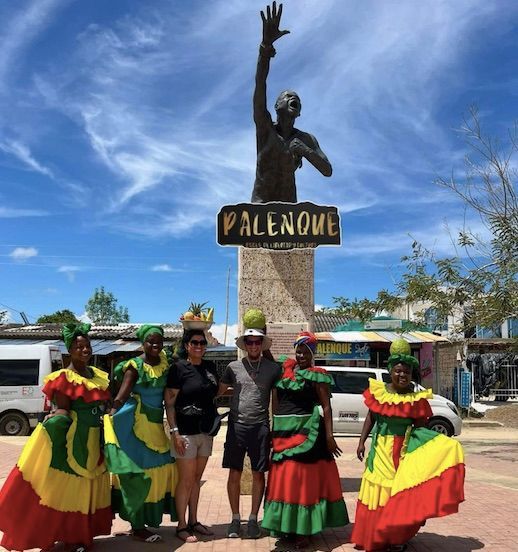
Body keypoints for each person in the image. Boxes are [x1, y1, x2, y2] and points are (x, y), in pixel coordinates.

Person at [0, 322, 112, 552]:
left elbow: (104, 406)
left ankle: (81, 535)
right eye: (79, 347)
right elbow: (63, 409)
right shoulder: (64, 378)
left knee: (87, 488)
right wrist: (52, 424)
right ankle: (69, 538)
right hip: (73, 441)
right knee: (68, 488)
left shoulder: (97, 375)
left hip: (95, 439)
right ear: (69, 350)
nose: (85, 350)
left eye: (87, 346)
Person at [351, 348, 465, 552]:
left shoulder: (416, 400)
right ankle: (378, 534)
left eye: (407, 372)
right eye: (398, 371)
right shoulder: (380, 392)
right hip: (380, 452)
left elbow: (421, 428)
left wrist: (437, 449)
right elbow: (371, 417)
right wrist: (361, 442)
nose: (402, 375)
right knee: (380, 491)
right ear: (390, 371)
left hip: (403, 452)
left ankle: (396, 536)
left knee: (399, 493)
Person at [262, 331, 349, 549]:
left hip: (307, 435)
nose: (301, 355)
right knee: (285, 480)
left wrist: (330, 436)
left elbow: (326, 407)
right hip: (283, 434)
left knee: (303, 481)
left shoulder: (317, 375)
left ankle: (306, 529)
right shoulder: (286, 370)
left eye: (305, 352)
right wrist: (262, 339)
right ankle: (289, 526)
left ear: (312, 354)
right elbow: (270, 361)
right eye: (298, 351)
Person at [251, 2, 332, 203]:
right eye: (286, 97)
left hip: (288, 213)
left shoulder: (306, 139)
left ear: (299, 112)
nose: (292, 98)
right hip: (260, 206)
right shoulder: (265, 127)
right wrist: (265, 48)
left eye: (296, 98)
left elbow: (327, 170)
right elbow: (260, 84)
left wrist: (304, 151)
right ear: (277, 106)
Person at [104, 324, 177, 542]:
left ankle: (142, 521)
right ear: (142, 343)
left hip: (155, 425)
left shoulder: (165, 364)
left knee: (160, 470)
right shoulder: (134, 367)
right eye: (150, 341)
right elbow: (122, 395)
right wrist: (110, 416)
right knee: (139, 473)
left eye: (158, 341)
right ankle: (137, 526)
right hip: (135, 427)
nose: (155, 345)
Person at [219, 328, 281, 539]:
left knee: (258, 473)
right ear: (244, 345)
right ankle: (235, 519)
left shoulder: (273, 369)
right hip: (236, 426)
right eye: (250, 342)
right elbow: (218, 391)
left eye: (257, 342)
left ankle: (253, 519)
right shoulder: (232, 367)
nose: (253, 346)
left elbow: (279, 398)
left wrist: (278, 427)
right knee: (234, 472)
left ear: (262, 345)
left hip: (261, 427)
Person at [164, 329, 220, 543]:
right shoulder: (178, 369)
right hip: (185, 433)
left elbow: (214, 393)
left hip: (205, 432)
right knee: (186, 480)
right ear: (186, 345)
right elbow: (169, 403)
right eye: (194, 342)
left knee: (196, 479)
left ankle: (194, 521)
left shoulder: (210, 367)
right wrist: (175, 432)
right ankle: (181, 525)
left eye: (202, 343)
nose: (199, 346)